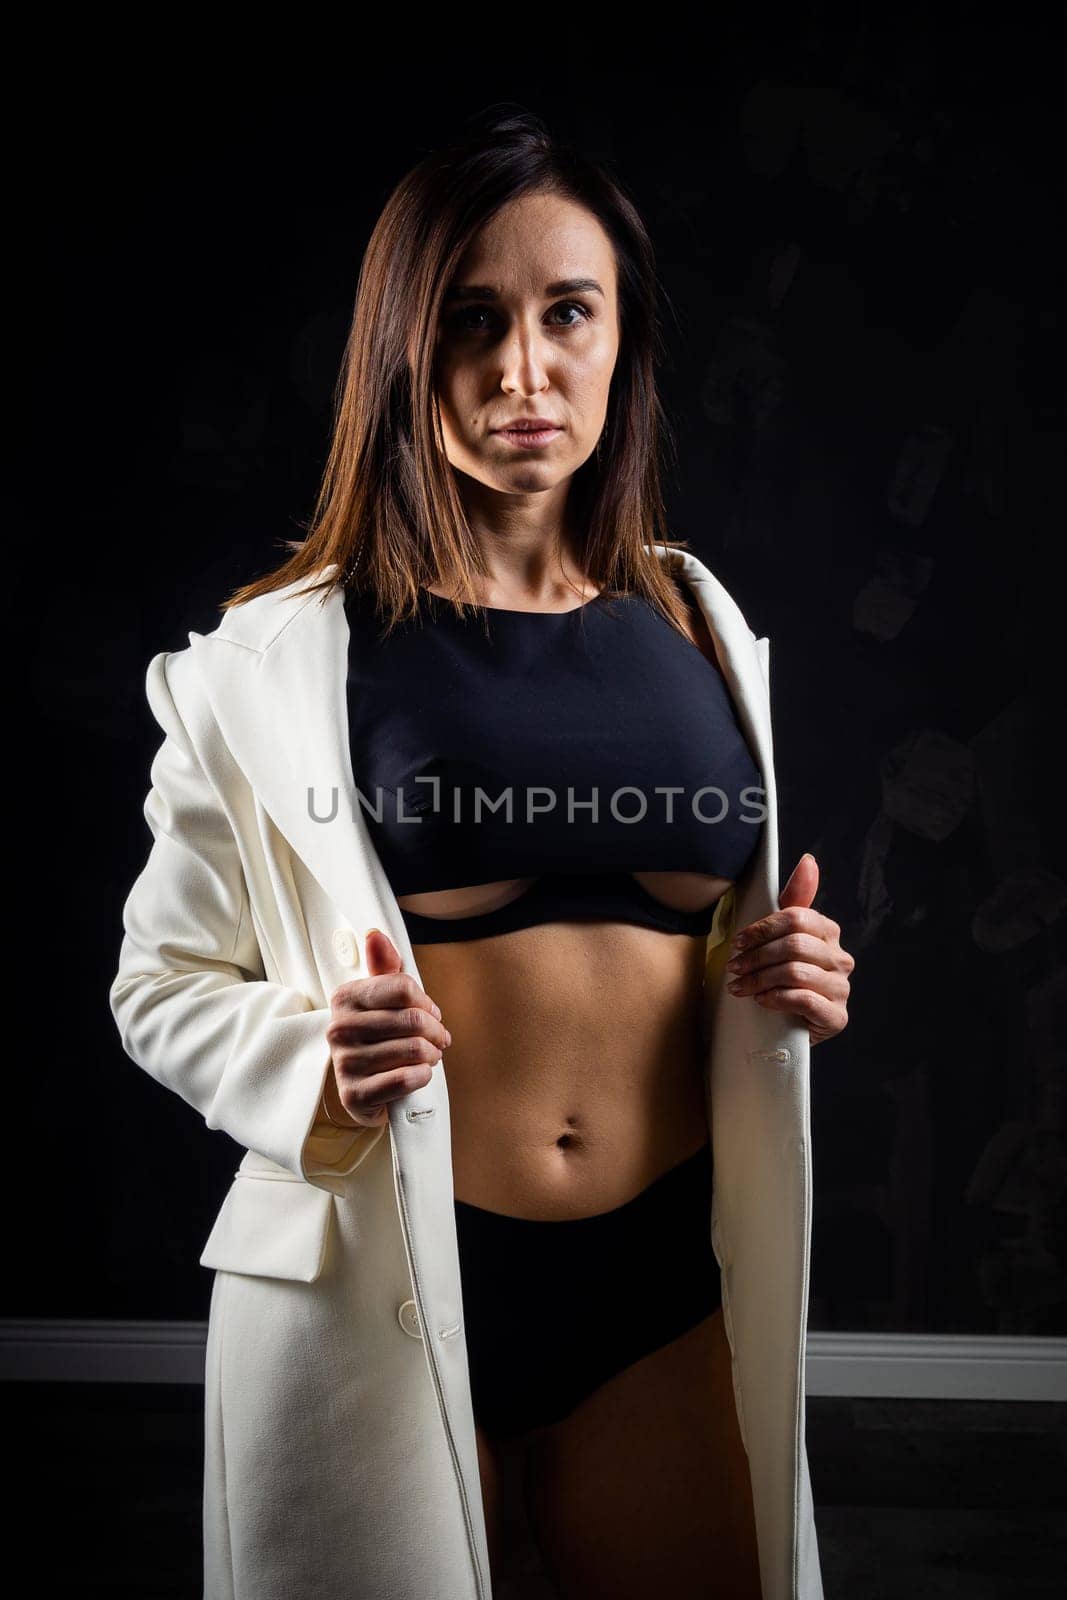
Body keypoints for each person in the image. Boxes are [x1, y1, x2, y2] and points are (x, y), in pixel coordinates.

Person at [110, 105, 853, 1600]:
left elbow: (690, 957)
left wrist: (775, 972)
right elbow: (159, 984)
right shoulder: (278, 658)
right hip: (374, 1277)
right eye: (470, 322)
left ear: (621, 337)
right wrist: (310, 1052)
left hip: (651, 1290)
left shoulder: (697, 626)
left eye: (567, 313)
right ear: (404, 351)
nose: (525, 371)